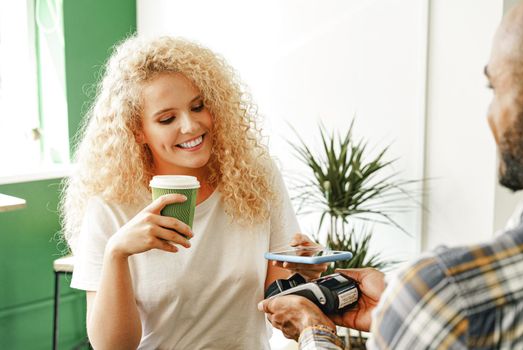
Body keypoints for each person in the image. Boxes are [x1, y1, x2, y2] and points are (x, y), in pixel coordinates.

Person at [259, 1, 523, 349]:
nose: (489, 112)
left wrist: (315, 329)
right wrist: (400, 309)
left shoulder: (449, 294)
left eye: (495, 88)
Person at [60, 35, 327, 350]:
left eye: (198, 106)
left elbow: (275, 303)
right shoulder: (111, 204)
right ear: (138, 131)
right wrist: (117, 253)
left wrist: (303, 273)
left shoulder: (254, 176)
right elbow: (113, 347)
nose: (190, 126)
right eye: (167, 118)